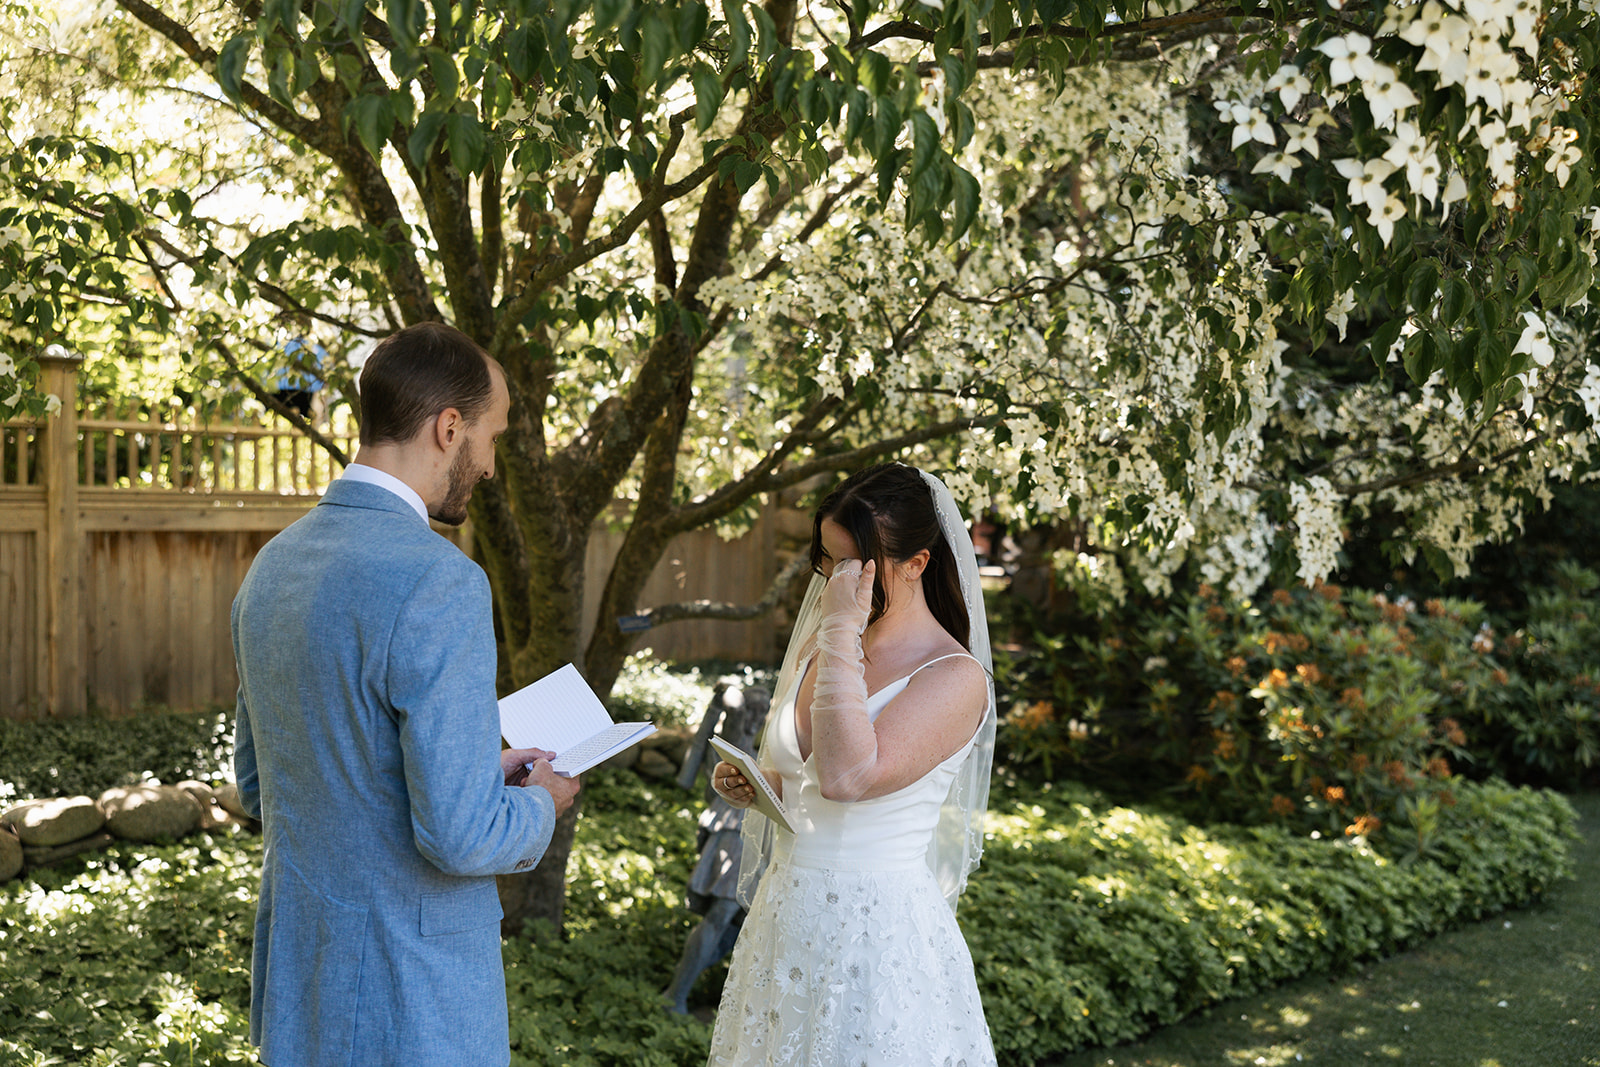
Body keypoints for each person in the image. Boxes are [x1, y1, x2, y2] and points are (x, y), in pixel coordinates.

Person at [230, 321, 581, 1067]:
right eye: (492, 435)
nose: (489, 465)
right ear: (449, 427)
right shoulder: (440, 581)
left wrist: (473, 771)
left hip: (302, 980)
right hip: (411, 998)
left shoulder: (271, 567)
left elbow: (266, 786)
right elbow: (460, 837)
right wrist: (538, 802)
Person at [705, 462, 998, 1065]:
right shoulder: (823, 647)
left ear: (916, 564)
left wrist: (841, 630)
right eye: (827, 561)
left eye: (852, 565)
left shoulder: (954, 677)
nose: (835, 582)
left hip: (875, 937)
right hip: (783, 918)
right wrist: (756, 783)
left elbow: (847, 779)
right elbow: (803, 780)